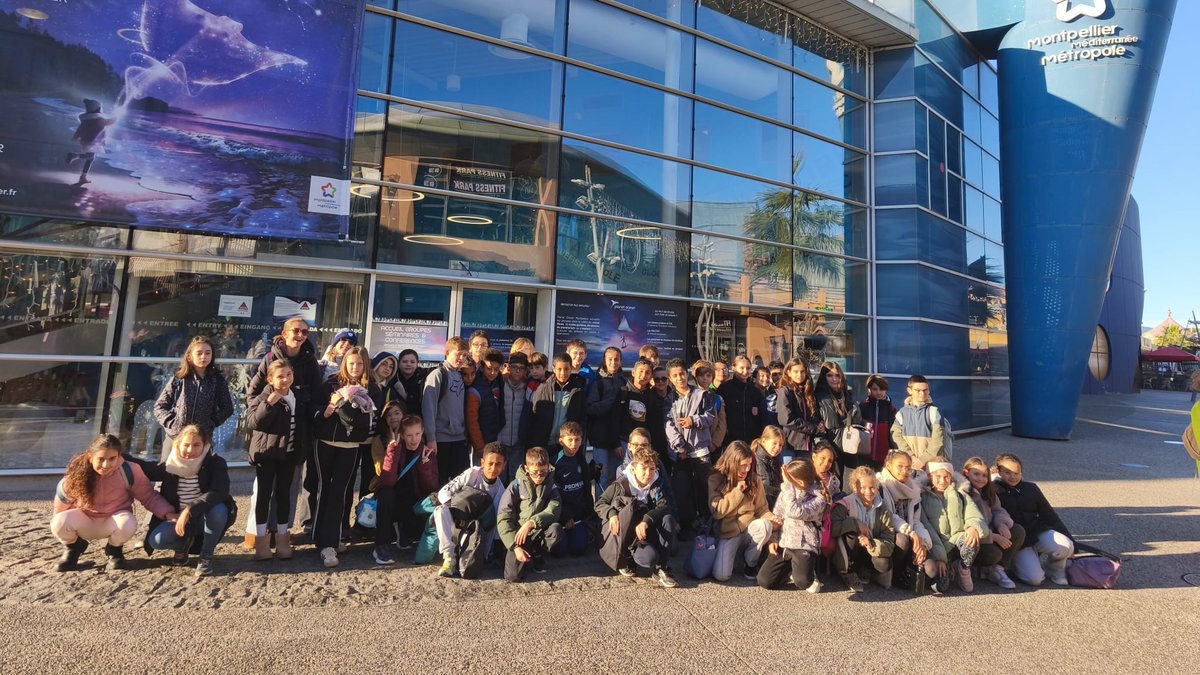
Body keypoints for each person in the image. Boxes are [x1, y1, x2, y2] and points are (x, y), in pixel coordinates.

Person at [244, 317, 323, 545]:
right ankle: (259, 535)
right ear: (284, 333)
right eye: (296, 330)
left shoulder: (310, 361)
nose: (300, 335)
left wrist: (307, 408)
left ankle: (281, 533)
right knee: (263, 490)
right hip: (269, 433)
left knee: (287, 489)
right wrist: (265, 407)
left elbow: (316, 395)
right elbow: (252, 393)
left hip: (296, 433)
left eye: (305, 332)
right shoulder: (270, 358)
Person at [51, 434, 175, 572]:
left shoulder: (129, 470)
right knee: (59, 522)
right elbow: (62, 499)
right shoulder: (77, 471)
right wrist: (60, 527)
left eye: (112, 459)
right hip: (84, 520)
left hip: (114, 520)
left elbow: (148, 496)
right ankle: (74, 548)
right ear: (90, 457)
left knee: (128, 523)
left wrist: (167, 512)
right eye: (101, 459)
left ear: (119, 456)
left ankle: (114, 550)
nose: (106, 465)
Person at [312, 346, 377, 568]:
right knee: (325, 490)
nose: (355, 368)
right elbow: (315, 410)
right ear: (344, 364)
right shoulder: (331, 383)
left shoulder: (371, 388)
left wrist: (339, 403)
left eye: (359, 363)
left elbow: (362, 423)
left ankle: (330, 538)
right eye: (351, 363)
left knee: (340, 492)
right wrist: (326, 410)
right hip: (325, 444)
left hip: (350, 446)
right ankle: (324, 541)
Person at [143, 425, 235, 576]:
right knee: (156, 540)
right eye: (186, 445)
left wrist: (189, 510)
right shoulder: (170, 465)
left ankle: (206, 556)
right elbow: (144, 468)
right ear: (178, 444)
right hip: (178, 519)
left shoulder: (215, 462)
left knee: (219, 509)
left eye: (196, 445)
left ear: (205, 445)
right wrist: (118, 456)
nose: (190, 450)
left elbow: (219, 491)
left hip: (204, 518)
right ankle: (182, 545)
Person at [595, 443, 679, 588]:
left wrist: (646, 520)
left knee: (668, 519)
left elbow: (664, 506)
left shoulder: (656, 482)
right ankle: (628, 558)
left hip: (647, 530)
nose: (648, 473)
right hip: (628, 534)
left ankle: (661, 568)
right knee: (649, 558)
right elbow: (600, 503)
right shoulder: (621, 484)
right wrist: (612, 514)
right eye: (643, 468)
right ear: (633, 469)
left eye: (652, 468)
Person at [244, 359, 301, 561]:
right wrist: (268, 404)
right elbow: (253, 422)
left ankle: (283, 537)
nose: (285, 380)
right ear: (270, 379)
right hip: (266, 454)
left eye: (288, 375)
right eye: (280, 376)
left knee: (284, 495)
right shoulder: (263, 396)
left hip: (289, 454)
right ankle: (261, 540)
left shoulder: (297, 396)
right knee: (264, 495)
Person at [920, 458, 1003, 594]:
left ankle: (964, 568)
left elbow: (974, 515)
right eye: (938, 476)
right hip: (938, 544)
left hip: (957, 538)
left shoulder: (960, 493)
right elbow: (927, 526)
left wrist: (973, 527)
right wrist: (940, 557)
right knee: (940, 588)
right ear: (930, 476)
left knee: (971, 540)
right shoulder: (922, 497)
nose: (942, 481)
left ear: (951, 476)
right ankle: (950, 566)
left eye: (946, 477)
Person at [993, 453, 1075, 586]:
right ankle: (1016, 563)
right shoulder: (993, 490)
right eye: (1007, 473)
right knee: (1035, 579)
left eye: (1016, 473)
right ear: (999, 472)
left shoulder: (1031, 488)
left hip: (1036, 532)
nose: (1013, 477)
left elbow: (1049, 515)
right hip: (1016, 540)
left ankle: (1054, 569)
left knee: (1067, 545)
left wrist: (1072, 541)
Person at [153, 335, 233, 461]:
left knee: (199, 472)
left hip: (201, 440)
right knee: (169, 471)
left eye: (208, 353)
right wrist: (172, 424)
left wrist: (212, 423)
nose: (203, 357)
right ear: (190, 356)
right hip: (176, 438)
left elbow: (227, 408)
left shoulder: (217, 380)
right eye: (199, 353)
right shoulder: (179, 378)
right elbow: (160, 406)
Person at [434, 444, 507, 579]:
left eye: (498, 464)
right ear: (482, 462)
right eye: (490, 463)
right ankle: (449, 557)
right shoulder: (471, 474)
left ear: (504, 466)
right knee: (440, 510)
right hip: (456, 518)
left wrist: (487, 553)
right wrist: (456, 510)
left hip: (474, 529)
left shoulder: (500, 491)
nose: (493, 468)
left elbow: (494, 526)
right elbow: (443, 492)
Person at [756, 458, 828, 592]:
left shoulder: (819, 498)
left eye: (790, 478)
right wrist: (773, 539)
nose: (787, 481)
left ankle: (809, 571)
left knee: (803, 581)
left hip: (804, 544)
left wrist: (787, 485)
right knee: (765, 581)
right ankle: (791, 569)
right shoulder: (787, 491)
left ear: (801, 482)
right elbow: (777, 516)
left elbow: (795, 512)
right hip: (785, 542)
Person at [371, 410, 433, 565]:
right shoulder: (396, 449)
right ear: (403, 435)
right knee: (385, 493)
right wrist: (392, 453)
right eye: (409, 435)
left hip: (415, 504)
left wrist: (425, 467)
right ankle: (381, 546)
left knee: (432, 500)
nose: (414, 439)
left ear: (422, 432)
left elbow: (430, 487)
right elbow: (387, 481)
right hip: (395, 502)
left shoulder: (427, 452)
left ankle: (405, 531)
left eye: (417, 434)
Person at [707, 441, 775, 581]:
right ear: (732, 462)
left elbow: (762, 509)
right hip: (728, 534)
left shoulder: (754, 480)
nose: (747, 469)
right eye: (743, 465)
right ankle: (733, 556)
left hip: (749, 529)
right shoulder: (716, 478)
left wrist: (772, 518)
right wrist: (737, 492)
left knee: (764, 525)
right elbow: (717, 511)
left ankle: (750, 563)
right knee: (721, 576)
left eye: (749, 464)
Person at [664, 357, 716, 534]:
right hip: (680, 453)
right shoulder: (669, 399)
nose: (680, 378)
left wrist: (693, 420)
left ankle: (708, 522)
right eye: (675, 376)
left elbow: (710, 417)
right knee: (682, 489)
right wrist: (680, 447)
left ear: (687, 374)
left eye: (682, 374)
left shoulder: (703, 394)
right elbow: (668, 425)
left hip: (700, 450)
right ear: (670, 378)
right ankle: (687, 525)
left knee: (705, 487)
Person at [497, 447, 563, 581]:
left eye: (543, 472)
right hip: (518, 534)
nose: (539, 476)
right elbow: (504, 517)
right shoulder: (515, 486)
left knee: (556, 529)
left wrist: (531, 523)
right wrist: (515, 546)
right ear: (526, 469)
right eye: (535, 472)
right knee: (513, 577)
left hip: (538, 530)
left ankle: (537, 553)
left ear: (548, 467)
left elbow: (554, 510)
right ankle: (514, 552)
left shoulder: (551, 485)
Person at [829, 466, 896, 592]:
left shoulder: (883, 508)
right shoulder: (845, 504)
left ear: (877, 487)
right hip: (849, 548)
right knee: (851, 533)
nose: (868, 492)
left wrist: (871, 544)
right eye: (863, 487)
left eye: (872, 487)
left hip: (868, 548)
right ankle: (848, 572)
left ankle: (866, 569)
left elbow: (889, 539)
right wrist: (855, 523)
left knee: (884, 564)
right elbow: (833, 528)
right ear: (855, 487)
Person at [877, 451, 936, 589]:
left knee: (931, 571)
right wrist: (911, 533)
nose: (905, 471)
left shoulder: (913, 489)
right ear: (888, 465)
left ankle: (908, 568)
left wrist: (923, 543)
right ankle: (895, 574)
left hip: (910, 533)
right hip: (887, 534)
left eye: (908, 468)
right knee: (902, 540)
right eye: (900, 466)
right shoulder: (880, 486)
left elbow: (916, 521)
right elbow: (889, 516)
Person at [961, 456, 1022, 589]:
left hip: (990, 531)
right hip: (975, 539)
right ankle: (976, 567)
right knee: (994, 554)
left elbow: (998, 510)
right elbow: (964, 525)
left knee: (1017, 531)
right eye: (976, 474)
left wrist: (1001, 523)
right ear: (966, 473)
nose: (981, 479)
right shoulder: (961, 493)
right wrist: (993, 536)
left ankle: (998, 568)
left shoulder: (988, 490)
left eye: (984, 475)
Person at [423, 337, 469, 482]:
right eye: (458, 354)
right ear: (447, 352)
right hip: (441, 440)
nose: (461, 358)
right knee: (440, 483)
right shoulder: (437, 375)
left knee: (460, 483)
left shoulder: (461, 375)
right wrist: (431, 438)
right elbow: (428, 408)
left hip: (460, 438)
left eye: (465, 355)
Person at [529, 353, 588, 452]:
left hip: (567, 444)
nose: (563, 373)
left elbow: (582, 416)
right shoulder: (543, 388)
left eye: (566, 369)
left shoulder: (577, 390)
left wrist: (578, 439)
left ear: (571, 368)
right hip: (545, 442)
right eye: (559, 369)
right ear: (553, 369)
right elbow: (534, 414)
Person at [552, 422, 594, 556]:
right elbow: (553, 495)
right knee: (559, 551)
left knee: (578, 549)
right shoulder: (555, 463)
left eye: (577, 440)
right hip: (561, 515)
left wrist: (594, 471)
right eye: (570, 440)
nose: (573, 444)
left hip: (579, 515)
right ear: (561, 441)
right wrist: (565, 516)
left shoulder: (581, 459)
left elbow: (584, 484)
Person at [588, 346, 626, 488]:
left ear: (621, 361)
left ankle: (616, 502)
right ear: (604, 360)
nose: (613, 362)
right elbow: (590, 407)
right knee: (602, 475)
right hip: (600, 436)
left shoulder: (624, 382)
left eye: (616, 359)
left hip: (619, 437)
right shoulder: (597, 382)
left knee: (618, 476)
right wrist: (610, 403)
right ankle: (601, 502)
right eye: (610, 359)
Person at [815, 361, 862, 477]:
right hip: (830, 447)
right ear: (824, 377)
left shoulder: (847, 395)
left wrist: (864, 427)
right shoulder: (818, 397)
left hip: (850, 445)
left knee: (851, 482)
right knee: (833, 482)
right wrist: (825, 446)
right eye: (829, 375)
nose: (834, 379)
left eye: (837, 375)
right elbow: (817, 424)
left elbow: (857, 418)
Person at [614, 358, 658, 481]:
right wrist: (616, 444)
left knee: (642, 474)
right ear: (633, 372)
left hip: (644, 444)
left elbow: (653, 423)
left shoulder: (651, 396)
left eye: (647, 372)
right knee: (624, 475)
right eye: (641, 371)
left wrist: (650, 445)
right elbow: (615, 418)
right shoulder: (623, 392)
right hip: (624, 442)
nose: (644, 375)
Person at [891, 375, 947, 470]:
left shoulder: (934, 412)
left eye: (925, 390)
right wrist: (910, 456)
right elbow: (896, 436)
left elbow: (939, 440)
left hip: (930, 465)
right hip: (909, 464)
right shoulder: (901, 413)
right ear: (909, 390)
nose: (922, 393)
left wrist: (923, 460)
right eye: (918, 390)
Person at [776, 358, 821, 460]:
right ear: (789, 373)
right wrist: (813, 428)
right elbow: (786, 419)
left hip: (807, 445)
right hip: (789, 445)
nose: (799, 375)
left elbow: (813, 414)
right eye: (795, 371)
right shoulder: (785, 391)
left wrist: (818, 424)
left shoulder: (808, 391)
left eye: (802, 371)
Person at [466, 349, 505, 465]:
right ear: (482, 367)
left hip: (495, 439)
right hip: (480, 445)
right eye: (489, 368)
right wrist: (479, 447)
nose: (493, 372)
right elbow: (472, 422)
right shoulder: (474, 389)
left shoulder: (499, 381)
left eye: (496, 369)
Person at [498, 352, 531, 483]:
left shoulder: (528, 388)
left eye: (521, 368)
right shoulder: (500, 384)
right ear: (509, 367)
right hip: (501, 441)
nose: (517, 371)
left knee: (516, 478)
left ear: (525, 370)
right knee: (499, 477)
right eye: (514, 367)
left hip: (518, 442)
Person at [718, 355, 763, 447]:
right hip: (730, 441)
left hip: (751, 441)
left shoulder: (755, 391)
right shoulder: (725, 388)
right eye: (741, 368)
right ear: (734, 368)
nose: (745, 371)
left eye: (748, 368)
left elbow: (761, 417)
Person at [67, 98, 115, 184]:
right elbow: (110, 121)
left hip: (85, 141)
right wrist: (117, 116)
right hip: (93, 142)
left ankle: (83, 177)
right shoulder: (99, 119)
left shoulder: (86, 120)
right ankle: (75, 156)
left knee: (90, 158)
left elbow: (80, 129)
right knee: (90, 157)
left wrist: (75, 137)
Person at [860, 374, 897, 471]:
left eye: (882, 389)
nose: (879, 392)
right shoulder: (863, 406)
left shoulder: (891, 409)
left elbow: (893, 432)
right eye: (875, 389)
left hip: (884, 455)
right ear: (869, 390)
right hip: (865, 455)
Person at [693, 360, 727, 451]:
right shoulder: (689, 396)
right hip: (693, 445)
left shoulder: (717, 398)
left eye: (708, 375)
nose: (705, 379)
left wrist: (714, 444)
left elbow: (722, 424)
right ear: (695, 376)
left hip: (711, 445)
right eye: (701, 375)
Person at [751, 425, 785, 508]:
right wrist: (780, 492)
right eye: (774, 443)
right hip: (760, 506)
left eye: (780, 445)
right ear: (763, 441)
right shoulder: (753, 459)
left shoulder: (776, 461)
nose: (777, 448)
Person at [394, 348, 426, 415]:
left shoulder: (425, 378)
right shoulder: (392, 378)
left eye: (412, 362)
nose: (408, 364)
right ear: (398, 363)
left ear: (417, 364)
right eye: (405, 362)